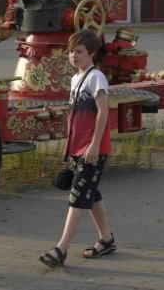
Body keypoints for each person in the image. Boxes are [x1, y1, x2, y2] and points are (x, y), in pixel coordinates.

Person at [39, 29, 117, 268]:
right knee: (90, 193)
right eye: (71, 51)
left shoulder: (96, 77)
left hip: (92, 149)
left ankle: (61, 248)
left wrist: (94, 145)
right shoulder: (75, 78)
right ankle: (106, 239)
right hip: (77, 148)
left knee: (77, 196)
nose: (73, 55)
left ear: (91, 53)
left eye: (79, 51)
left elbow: (103, 111)